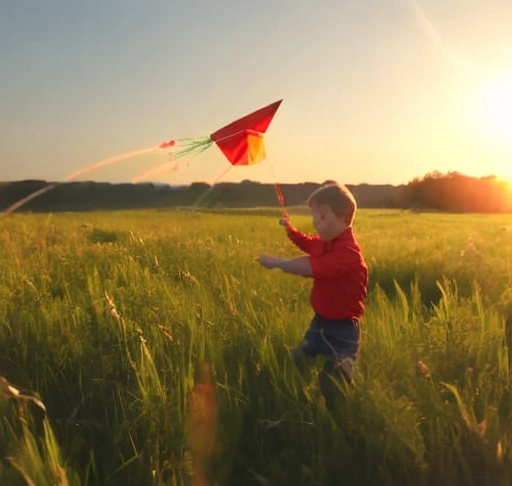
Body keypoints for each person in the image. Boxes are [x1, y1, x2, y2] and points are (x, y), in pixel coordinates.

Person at [258, 182, 368, 411]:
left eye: (323, 217)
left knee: (332, 383)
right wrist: (290, 230)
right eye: (315, 217)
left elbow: (311, 266)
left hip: (343, 329)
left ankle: (341, 414)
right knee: (298, 358)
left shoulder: (348, 254)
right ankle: (297, 398)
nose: (317, 223)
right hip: (320, 323)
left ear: (345, 219)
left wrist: (278, 263)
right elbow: (308, 244)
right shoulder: (326, 243)